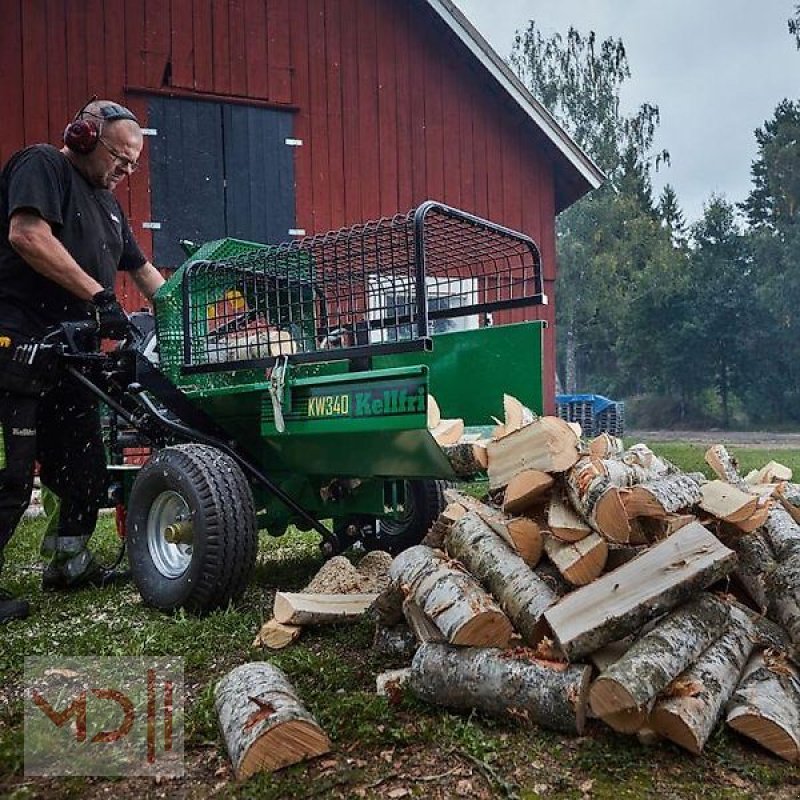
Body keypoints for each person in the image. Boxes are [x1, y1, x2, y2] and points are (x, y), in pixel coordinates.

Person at [0, 98, 165, 623]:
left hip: (72, 357)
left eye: (134, 164)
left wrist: (187, 314)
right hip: (18, 343)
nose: (125, 170)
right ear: (83, 137)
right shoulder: (44, 166)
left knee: (85, 468)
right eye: (119, 157)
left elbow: (144, 273)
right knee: (12, 473)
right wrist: (100, 298)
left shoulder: (111, 209)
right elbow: (27, 234)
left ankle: (69, 563)